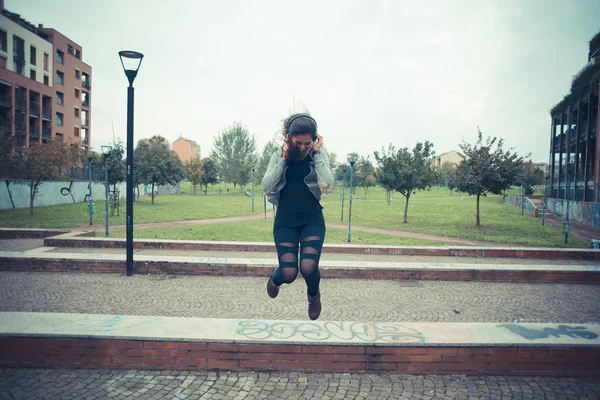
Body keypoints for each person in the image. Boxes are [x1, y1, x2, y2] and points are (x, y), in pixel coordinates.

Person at [261, 113, 333, 320]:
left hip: (312, 219)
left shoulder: (317, 154)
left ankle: (313, 296)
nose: (302, 147)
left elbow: (326, 181)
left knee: (308, 267)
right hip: (286, 221)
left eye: (307, 143)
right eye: (298, 142)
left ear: (315, 139)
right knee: (289, 274)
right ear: (289, 137)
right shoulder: (278, 156)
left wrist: (317, 153)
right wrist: (283, 159)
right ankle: (276, 279)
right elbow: (266, 185)